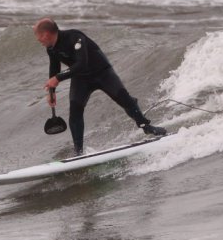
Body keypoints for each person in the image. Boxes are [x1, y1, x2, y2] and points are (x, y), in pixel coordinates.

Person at [33, 17, 166, 155]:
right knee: (75, 111)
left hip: (102, 73)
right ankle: (78, 151)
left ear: (46, 34)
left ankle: (147, 127)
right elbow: (54, 68)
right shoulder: (51, 49)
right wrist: (52, 91)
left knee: (125, 100)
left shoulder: (75, 37)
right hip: (81, 79)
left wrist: (58, 78)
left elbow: (81, 63)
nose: (38, 41)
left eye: (38, 38)